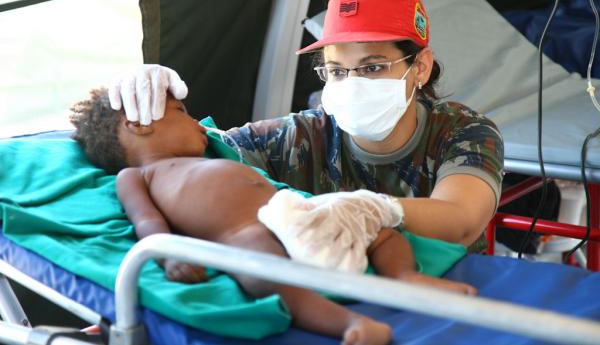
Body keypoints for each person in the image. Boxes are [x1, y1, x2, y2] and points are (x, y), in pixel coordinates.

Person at [109, 0, 504, 252]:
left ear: (419, 67)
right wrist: (142, 107)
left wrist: (366, 209)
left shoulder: (463, 132)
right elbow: (189, 155)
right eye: (336, 71)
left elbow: (461, 219)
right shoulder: (298, 137)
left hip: (447, 298)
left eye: (372, 68)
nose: (352, 84)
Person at [70, 88, 476, 345]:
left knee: (376, 226)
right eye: (181, 111)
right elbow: (147, 223)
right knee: (266, 273)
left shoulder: (211, 151)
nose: (197, 122)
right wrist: (170, 255)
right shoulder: (136, 175)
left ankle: (404, 277)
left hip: (295, 211)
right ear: (138, 125)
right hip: (240, 232)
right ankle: (352, 325)